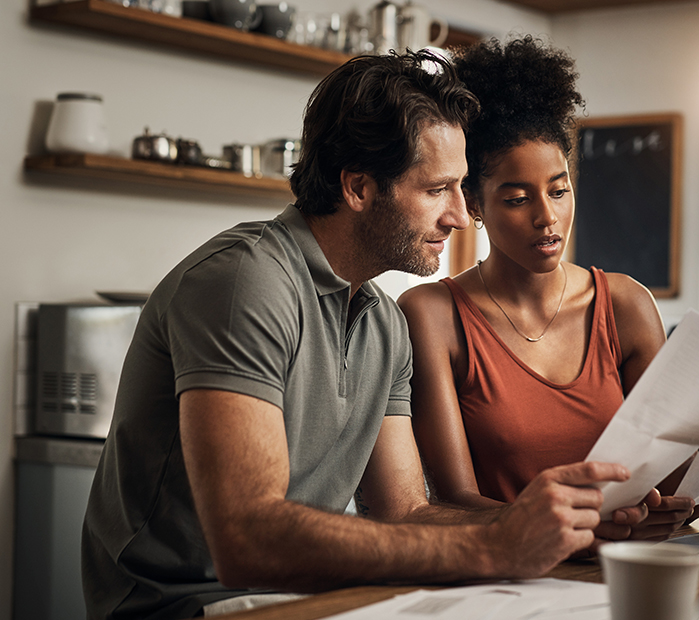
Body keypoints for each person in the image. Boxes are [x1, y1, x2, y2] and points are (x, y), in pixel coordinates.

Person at [81, 50, 639, 620]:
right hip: (184, 604)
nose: (458, 215)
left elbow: (404, 513)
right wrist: (495, 544)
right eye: (436, 190)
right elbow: (247, 539)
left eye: (461, 188)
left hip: (312, 598)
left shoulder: (382, 320)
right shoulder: (245, 282)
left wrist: (561, 524)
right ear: (358, 187)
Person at [397, 37, 699, 546]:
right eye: (517, 199)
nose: (547, 218)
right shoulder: (433, 315)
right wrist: (584, 530)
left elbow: (675, 488)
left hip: (625, 573)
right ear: (472, 202)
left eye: (560, 191)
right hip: (508, 579)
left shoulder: (625, 304)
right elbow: (454, 503)